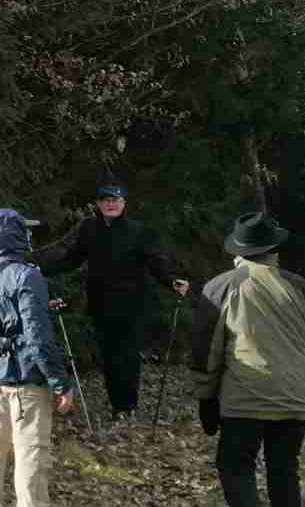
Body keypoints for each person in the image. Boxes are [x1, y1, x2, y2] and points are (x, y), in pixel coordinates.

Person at [188, 212, 305, 507]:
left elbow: (206, 352)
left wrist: (206, 398)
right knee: (284, 471)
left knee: (235, 466)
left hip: (243, 400)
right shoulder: (303, 289)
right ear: (274, 250)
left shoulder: (220, 288)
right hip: (295, 401)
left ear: (237, 252)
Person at [34, 179, 190, 428]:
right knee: (108, 356)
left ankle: (127, 406)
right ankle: (116, 404)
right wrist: (40, 269)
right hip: (100, 303)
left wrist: (171, 281)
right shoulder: (89, 229)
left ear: (123, 203)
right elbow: (71, 259)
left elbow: (155, 262)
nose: (110, 204)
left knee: (127, 355)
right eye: (106, 200)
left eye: (115, 200)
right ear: (98, 204)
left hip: (131, 305)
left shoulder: (138, 231)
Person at [0, 207, 79, 507]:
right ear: (16, 236)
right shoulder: (26, 276)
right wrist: (60, 382)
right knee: (31, 455)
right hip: (23, 380)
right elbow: (38, 338)